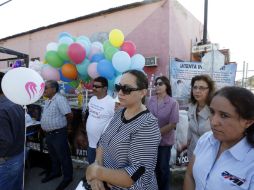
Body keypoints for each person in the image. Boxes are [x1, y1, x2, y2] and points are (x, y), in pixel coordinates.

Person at [86, 69, 161, 190]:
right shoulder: (119, 112)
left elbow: (135, 175)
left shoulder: (148, 125)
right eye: (118, 87)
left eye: (126, 89)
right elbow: (103, 142)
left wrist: (96, 171)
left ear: (142, 92)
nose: (120, 93)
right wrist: (97, 169)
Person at [183, 86, 254, 190]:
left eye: (224, 115)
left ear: (247, 122)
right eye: (212, 112)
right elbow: (190, 175)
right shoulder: (206, 140)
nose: (213, 122)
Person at [147, 76, 179, 190]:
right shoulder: (150, 100)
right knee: (152, 168)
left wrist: (156, 133)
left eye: (160, 84)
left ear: (166, 86)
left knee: (163, 168)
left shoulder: (172, 102)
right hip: (150, 141)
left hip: (164, 142)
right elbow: (146, 118)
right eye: (156, 84)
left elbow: (173, 124)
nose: (157, 86)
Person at [40, 80, 73, 190]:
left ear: (53, 89)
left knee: (64, 157)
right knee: (53, 155)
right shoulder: (48, 100)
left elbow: (69, 115)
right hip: (49, 134)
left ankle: (68, 177)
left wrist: (68, 128)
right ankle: (56, 172)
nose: (44, 90)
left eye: (46, 88)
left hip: (58, 133)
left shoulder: (60, 99)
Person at [0, 72, 25, 190]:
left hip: (7, 160)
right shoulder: (15, 103)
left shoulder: (2, 108)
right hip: (17, 155)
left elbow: (5, 141)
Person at [84, 76, 115, 164]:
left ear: (105, 88)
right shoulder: (93, 99)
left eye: (97, 87)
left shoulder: (111, 102)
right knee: (91, 166)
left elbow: (116, 123)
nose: (94, 88)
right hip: (91, 143)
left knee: (101, 170)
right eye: (93, 86)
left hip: (102, 147)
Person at [187, 74, 215, 160]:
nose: (197, 91)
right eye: (195, 87)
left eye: (202, 88)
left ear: (209, 90)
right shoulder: (192, 106)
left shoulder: (214, 110)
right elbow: (190, 129)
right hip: (193, 152)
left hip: (209, 154)